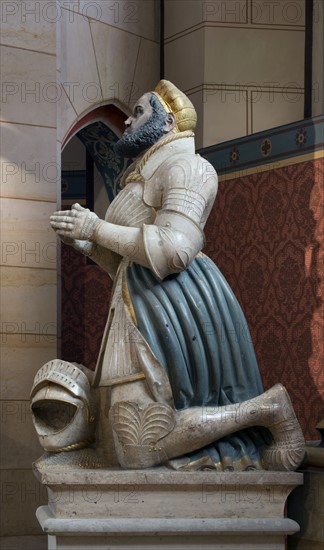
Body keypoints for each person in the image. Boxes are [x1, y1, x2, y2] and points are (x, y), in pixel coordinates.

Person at [49, 80, 305, 471]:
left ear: (167, 121)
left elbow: (174, 251)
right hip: (141, 302)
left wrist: (96, 229)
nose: (128, 121)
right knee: (126, 442)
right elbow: (127, 265)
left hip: (177, 305)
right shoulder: (141, 175)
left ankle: (267, 409)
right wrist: (90, 244)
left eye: (139, 112)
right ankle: (264, 408)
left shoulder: (188, 167)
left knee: (137, 446)